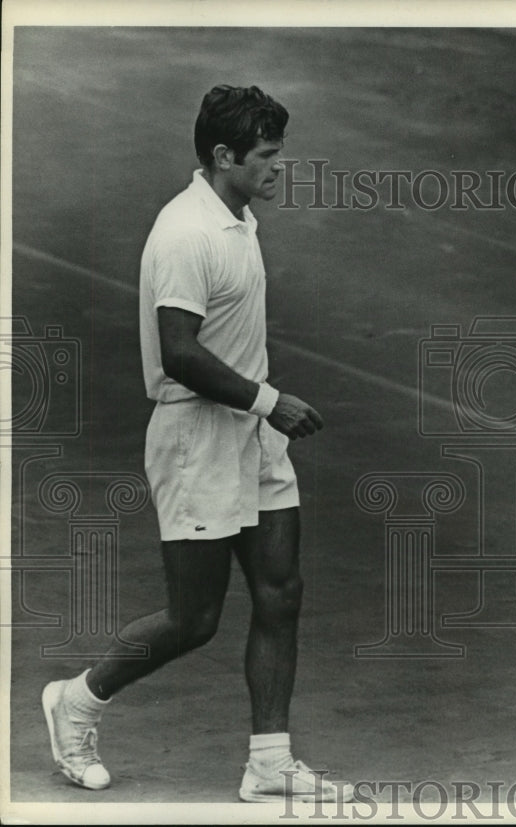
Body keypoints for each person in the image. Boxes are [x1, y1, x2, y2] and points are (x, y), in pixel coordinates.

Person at [41, 84, 351, 805]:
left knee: (281, 592)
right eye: (267, 156)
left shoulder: (237, 218)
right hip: (196, 436)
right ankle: (77, 700)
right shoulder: (184, 234)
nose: (279, 168)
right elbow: (179, 353)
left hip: (251, 433)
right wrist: (272, 401)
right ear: (223, 156)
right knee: (194, 619)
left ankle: (270, 761)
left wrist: (261, 410)